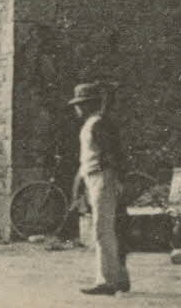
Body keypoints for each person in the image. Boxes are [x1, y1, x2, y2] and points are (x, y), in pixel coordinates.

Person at [70, 82, 130, 296]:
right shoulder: (93, 124)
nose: (77, 108)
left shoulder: (98, 124)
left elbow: (114, 154)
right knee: (109, 229)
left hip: (103, 177)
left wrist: (118, 180)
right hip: (95, 177)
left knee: (103, 229)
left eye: (80, 104)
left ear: (87, 105)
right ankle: (120, 278)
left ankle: (106, 281)